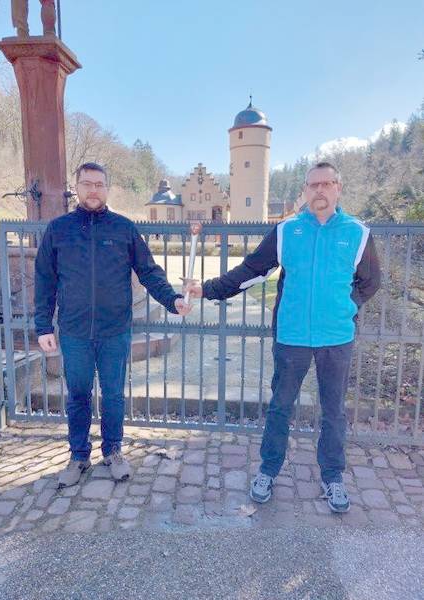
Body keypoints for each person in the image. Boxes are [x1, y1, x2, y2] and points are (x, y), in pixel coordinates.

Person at [183, 162, 381, 513]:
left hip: (336, 338)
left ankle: (332, 476)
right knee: (280, 407)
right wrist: (208, 289)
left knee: (333, 411)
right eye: (313, 185)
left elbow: (370, 282)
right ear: (304, 191)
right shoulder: (287, 231)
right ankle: (268, 470)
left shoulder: (358, 233)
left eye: (327, 184)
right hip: (292, 337)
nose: (320, 190)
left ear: (338, 188)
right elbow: (251, 270)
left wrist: (345, 307)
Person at [35, 162, 191, 488]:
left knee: (114, 395)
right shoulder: (58, 229)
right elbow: (45, 280)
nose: (93, 190)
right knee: (78, 395)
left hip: (115, 331)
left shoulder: (123, 229)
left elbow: (149, 272)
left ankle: (113, 451)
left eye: (99, 184)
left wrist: (173, 300)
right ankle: (79, 455)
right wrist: (43, 326)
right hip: (75, 331)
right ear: (77, 187)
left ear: (107, 188)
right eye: (87, 184)